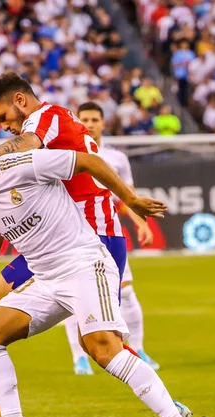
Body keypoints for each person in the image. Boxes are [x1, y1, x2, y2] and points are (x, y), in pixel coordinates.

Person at [0, 125, 205, 417]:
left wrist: (131, 200)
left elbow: (89, 161)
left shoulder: (25, 165)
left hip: (83, 265)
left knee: (102, 347)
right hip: (46, 280)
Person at [0, 73, 139, 417]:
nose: (5, 126)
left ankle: (171, 408)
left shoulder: (43, 118)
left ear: (20, 101)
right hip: (59, 239)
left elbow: (24, 147)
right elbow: (1, 194)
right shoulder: (48, 121)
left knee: (101, 344)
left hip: (85, 236)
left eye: (2, 117)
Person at [68, 102, 160, 373]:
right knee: (76, 300)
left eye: (95, 119)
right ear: (77, 121)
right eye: (85, 118)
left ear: (103, 123)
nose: (91, 123)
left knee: (127, 292)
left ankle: (139, 348)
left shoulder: (117, 158)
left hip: (109, 232)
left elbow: (127, 196)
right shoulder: (67, 155)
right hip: (76, 236)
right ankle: (80, 358)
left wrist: (142, 224)